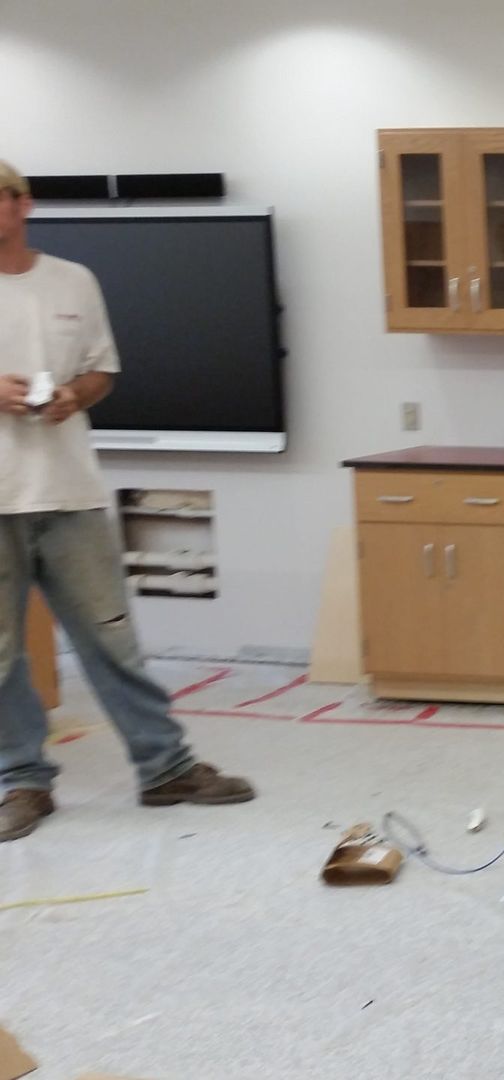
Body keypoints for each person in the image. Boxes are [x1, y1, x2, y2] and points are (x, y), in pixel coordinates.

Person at [0, 160, 254, 842]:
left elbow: (102, 370)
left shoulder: (73, 281)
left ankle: (164, 768)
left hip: (69, 490)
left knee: (113, 640)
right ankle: (21, 782)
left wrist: (74, 397)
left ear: (23, 203)